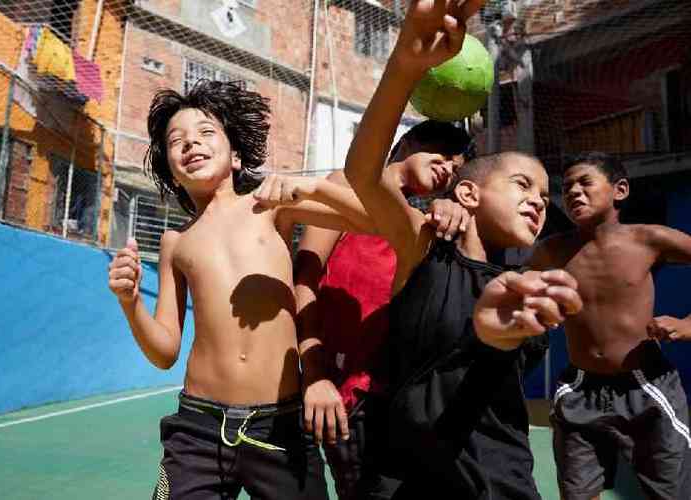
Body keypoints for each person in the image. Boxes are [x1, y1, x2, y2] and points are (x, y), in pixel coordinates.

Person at [339, 1, 582, 498]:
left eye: (542, 195)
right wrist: (404, 66)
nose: (537, 201)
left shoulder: (526, 289)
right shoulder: (425, 248)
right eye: (522, 185)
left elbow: (503, 336)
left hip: (496, 485)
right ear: (468, 194)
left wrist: (495, 335)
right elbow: (362, 173)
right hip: (399, 482)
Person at [107, 80, 376, 500]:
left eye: (205, 132)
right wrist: (130, 303)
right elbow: (164, 351)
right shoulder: (175, 242)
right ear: (171, 169)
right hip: (198, 429)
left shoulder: (272, 208)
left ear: (235, 155)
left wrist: (314, 189)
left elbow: (374, 223)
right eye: (176, 140)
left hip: (282, 426)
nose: (190, 143)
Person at [293, 120, 474, 500]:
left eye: (456, 170)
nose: (447, 169)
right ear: (406, 142)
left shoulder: (422, 221)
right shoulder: (345, 186)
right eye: (440, 155)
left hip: (400, 396)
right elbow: (304, 280)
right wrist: (315, 374)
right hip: (347, 393)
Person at [522, 152, 691, 500]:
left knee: (671, 494)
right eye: (567, 186)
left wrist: (688, 324)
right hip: (580, 388)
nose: (573, 192)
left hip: (647, 384)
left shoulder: (648, 239)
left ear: (620, 190)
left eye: (585, 182)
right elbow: (515, 293)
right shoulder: (551, 251)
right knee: (577, 494)